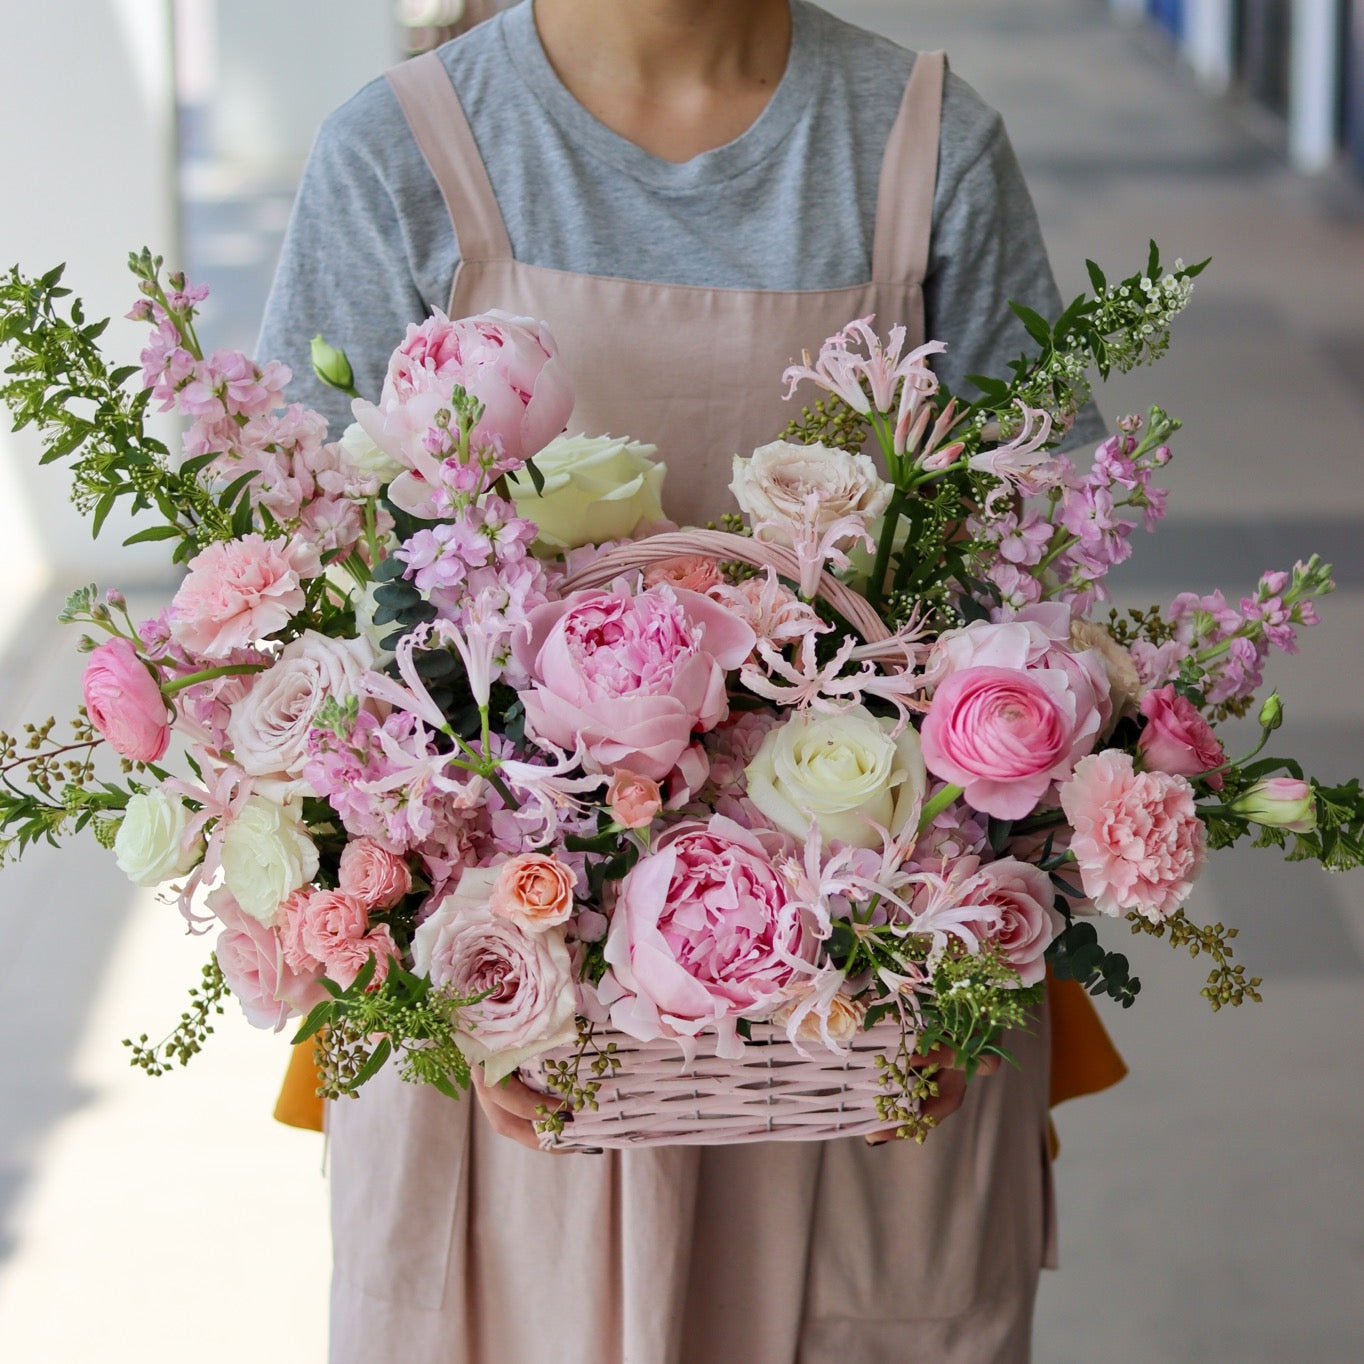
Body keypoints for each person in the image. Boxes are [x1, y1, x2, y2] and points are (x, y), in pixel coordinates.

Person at [258, 3, 1120, 1360]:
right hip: (522, 1079)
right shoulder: (403, 153)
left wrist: (946, 962)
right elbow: (296, 618)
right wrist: (467, 987)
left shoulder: (922, 146)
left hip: (859, 1046)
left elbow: (1044, 592)